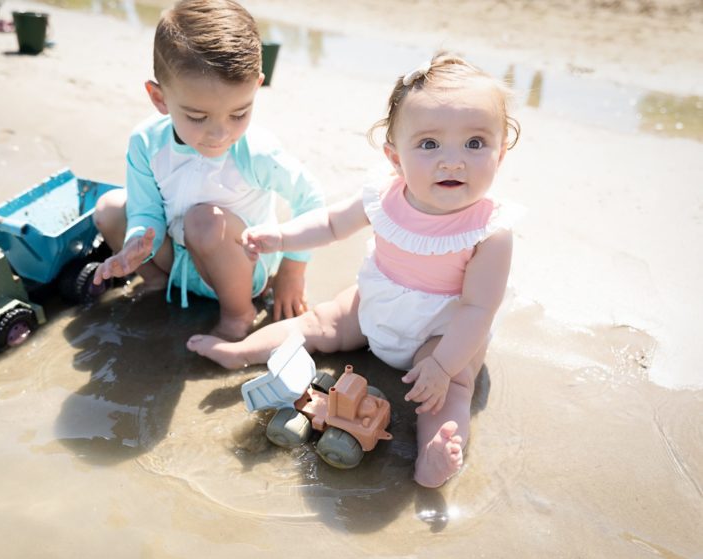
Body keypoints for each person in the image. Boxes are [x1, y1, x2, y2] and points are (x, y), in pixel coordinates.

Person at [187, 52, 522, 487]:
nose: (452, 161)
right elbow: (329, 224)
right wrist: (281, 237)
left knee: (452, 388)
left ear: (500, 155)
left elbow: (478, 308)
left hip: (445, 331)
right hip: (376, 302)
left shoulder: (490, 231)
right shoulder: (384, 196)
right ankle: (242, 351)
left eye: (475, 143)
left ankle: (436, 453)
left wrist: (442, 365)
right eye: (429, 144)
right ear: (395, 158)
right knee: (317, 322)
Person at [92, 0, 324, 341]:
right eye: (197, 118)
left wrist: (292, 270)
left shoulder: (256, 152)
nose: (220, 134)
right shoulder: (147, 143)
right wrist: (134, 246)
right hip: (177, 264)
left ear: (256, 86)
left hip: (244, 272)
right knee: (110, 209)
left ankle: (238, 314)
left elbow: (310, 198)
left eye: (239, 113)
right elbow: (145, 212)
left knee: (202, 221)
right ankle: (157, 285)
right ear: (159, 98)